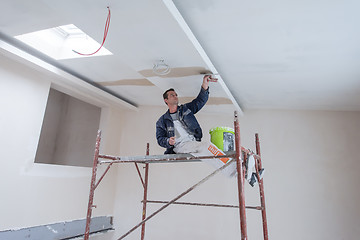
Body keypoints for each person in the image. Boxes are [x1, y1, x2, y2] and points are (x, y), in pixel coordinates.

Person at [156, 75, 263, 183]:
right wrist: (168, 141)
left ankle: (246, 174)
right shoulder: (162, 121)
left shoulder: (185, 109)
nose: (175, 96)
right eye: (172, 95)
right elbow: (160, 139)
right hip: (180, 146)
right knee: (207, 146)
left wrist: (205, 85)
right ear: (166, 100)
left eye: (176, 95)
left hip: (192, 143)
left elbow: (200, 101)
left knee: (212, 155)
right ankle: (243, 173)